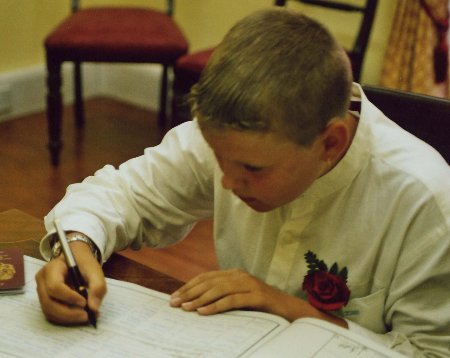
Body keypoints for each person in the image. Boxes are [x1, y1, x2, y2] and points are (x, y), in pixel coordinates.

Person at [35, 8, 449, 357]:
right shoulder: (235, 142)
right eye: (219, 160)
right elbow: (123, 193)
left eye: (253, 170)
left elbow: (430, 352)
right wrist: (77, 246)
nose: (228, 183)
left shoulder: (426, 202)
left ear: (330, 143)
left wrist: (282, 305)